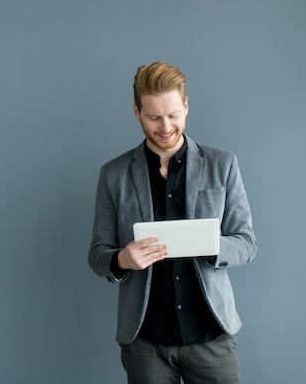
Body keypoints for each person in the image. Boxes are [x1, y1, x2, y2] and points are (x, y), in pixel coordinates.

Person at [88, 62, 257, 384]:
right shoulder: (114, 174)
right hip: (145, 339)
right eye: (153, 117)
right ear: (137, 112)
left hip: (211, 333)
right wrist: (122, 259)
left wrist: (211, 245)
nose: (165, 126)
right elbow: (97, 254)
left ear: (186, 107)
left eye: (174, 115)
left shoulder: (222, 165)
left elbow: (247, 244)